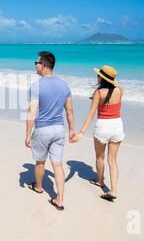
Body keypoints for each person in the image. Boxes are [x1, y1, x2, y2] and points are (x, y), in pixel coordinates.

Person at [25, 51, 75, 211]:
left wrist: (27, 135)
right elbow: (69, 111)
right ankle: (59, 199)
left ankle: (38, 187)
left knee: (40, 161)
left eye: (36, 62)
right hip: (60, 129)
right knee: (58, 165)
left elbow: (31, 112)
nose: (35, 65)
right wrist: (72, 129)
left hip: (43, 129)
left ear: (44, 65)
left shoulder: (36, 86)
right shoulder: (64, 85)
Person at [73, 66, 125, 202]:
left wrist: (81, 132)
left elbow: (91, 114)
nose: (97, 77)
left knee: (100, 157)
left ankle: (101, 181)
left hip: (103, 126)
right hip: (117, 125)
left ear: (102, 78)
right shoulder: (120, 90)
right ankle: (114, 190)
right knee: (113, 160)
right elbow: (116, 85)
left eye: (98, 75)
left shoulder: (99, 93)